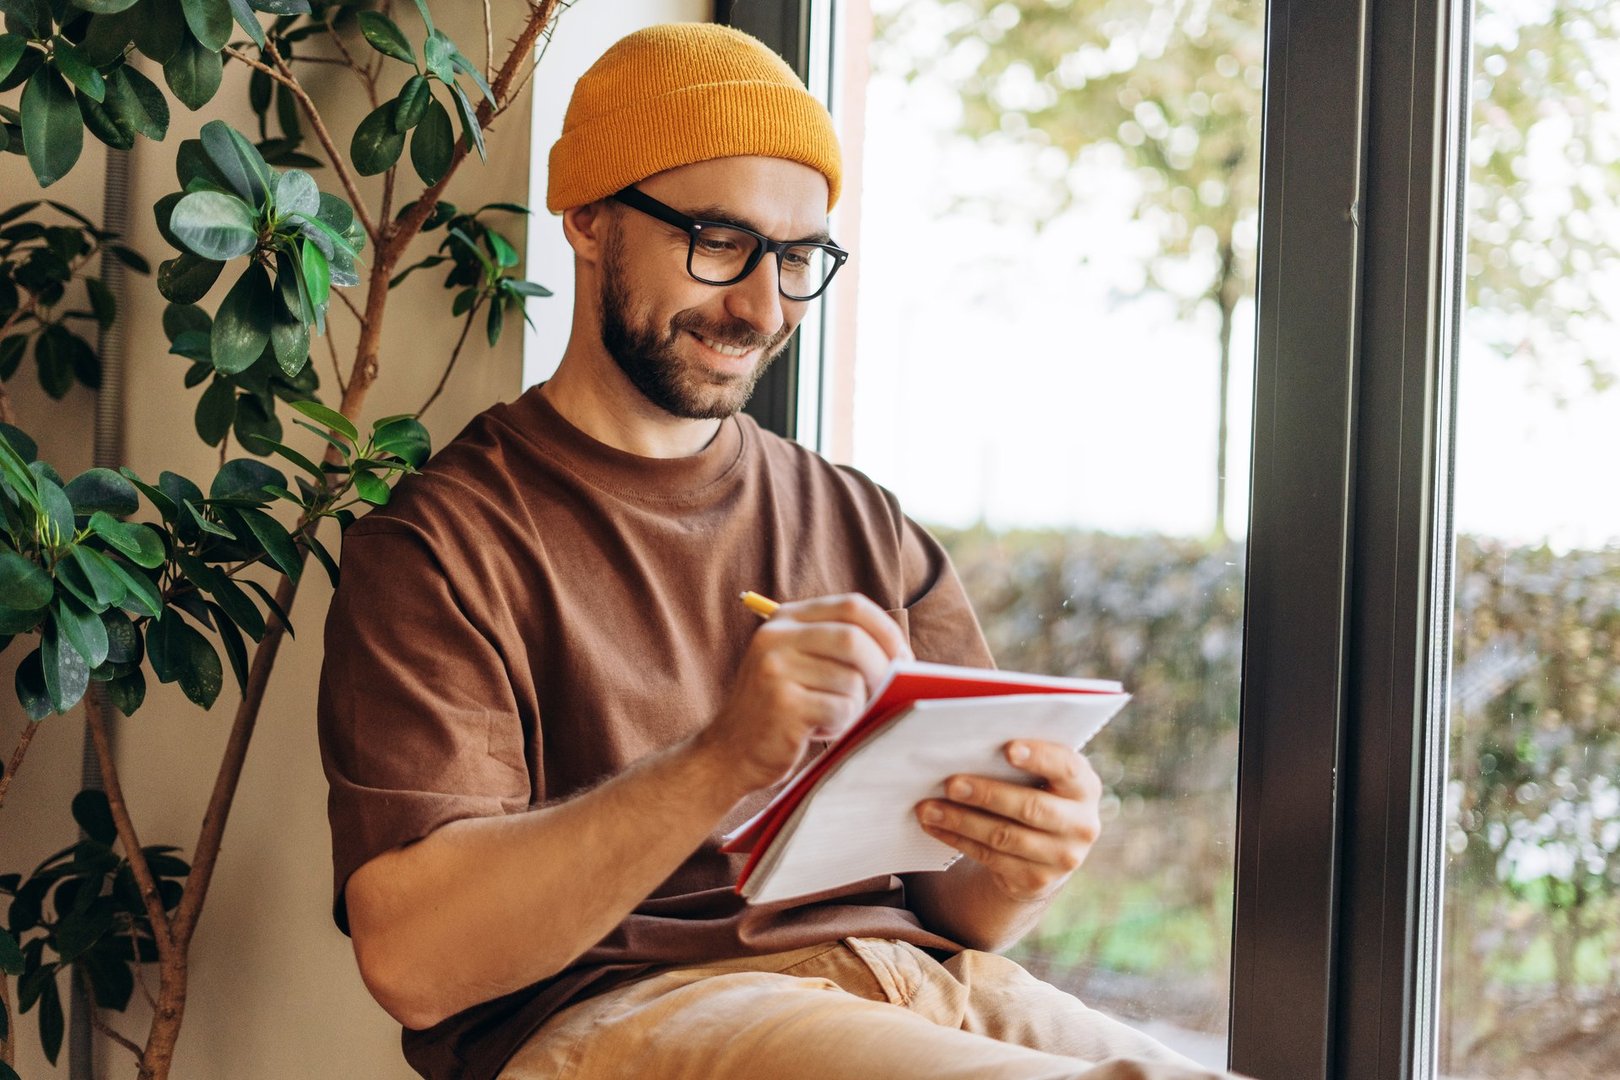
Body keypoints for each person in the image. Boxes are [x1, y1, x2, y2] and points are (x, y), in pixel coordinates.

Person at [318, 22, 1244, 1080]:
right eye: (719, 241)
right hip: (636, 1011)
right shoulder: (443, 545)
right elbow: (415, 960)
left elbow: (955, 904)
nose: (762, 308)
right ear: (586, 220)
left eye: (799, 259)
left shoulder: (863, 524)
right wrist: (725, 758)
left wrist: (1027, 862)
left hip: (913, 984)